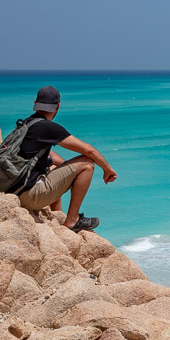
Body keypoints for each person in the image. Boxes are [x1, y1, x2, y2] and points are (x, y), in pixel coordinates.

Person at [15, 85, 117, 231]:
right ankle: (72, 220)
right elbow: (89, 151)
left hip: (14, 190)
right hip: (29, 196)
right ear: (58, 106)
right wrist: (107, 170)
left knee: (53, 169)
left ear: (35, 102)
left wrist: (67, 168)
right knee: (87, 163)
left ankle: (57, 216)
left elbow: (47, 154)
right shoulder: (48, 128)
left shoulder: (25, 124)